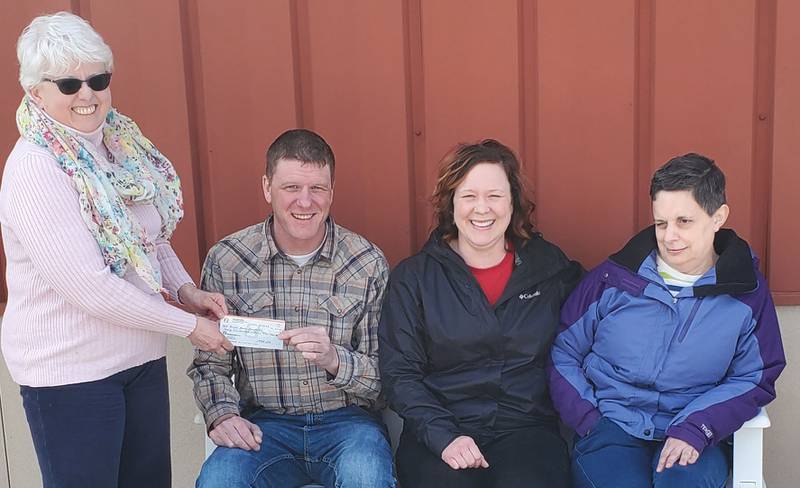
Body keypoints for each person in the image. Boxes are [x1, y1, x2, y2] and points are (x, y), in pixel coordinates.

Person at [0, 11, 233, 488]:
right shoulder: (36, 170)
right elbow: (91, 289)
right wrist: (190, 327)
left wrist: (186, 290)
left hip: (139, 361)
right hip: (73, 376)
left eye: (97, 78)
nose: (86, 94)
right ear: (35, 92)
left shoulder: (118, 146)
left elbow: (147, 238)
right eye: (68, 84)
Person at [548, 153, 786, 487]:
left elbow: (756, 376)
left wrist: (699, 427)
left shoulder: (746, 293)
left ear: (718, 217)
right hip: (611, 427)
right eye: (662, 223)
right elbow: (564, 351)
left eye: (684, 221)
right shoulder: (614, 279)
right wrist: (589, 419)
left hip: (694, 433)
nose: (669, 236)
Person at [189, 128, 395, 488]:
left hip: (348, 425)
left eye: (317, 188)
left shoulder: (366, 262)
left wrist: (334, 359)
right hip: (264, 424)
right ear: (267, 187)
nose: (305, 202)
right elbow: (210, 364)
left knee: (368, 479)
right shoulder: (228, 260)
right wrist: (221, 416)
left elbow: (387, 379)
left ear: (331, 191)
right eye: (291, 188)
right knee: (219, 480)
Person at [378, 139, 583, 488]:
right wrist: (444, 437)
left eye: (494, 195)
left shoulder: (549, 268)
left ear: (513, 201)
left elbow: (599, 312)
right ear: (451, 204)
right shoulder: (415, 278)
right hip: (440, 430)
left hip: (525, 427)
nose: (482, 209)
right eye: (469, 196)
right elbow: (400, 374)